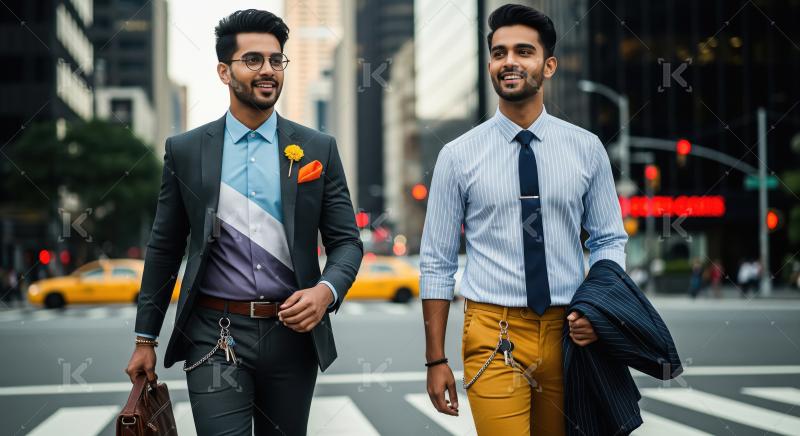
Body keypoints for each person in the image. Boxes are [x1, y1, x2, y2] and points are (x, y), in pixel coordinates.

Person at [124, 9, 363, 435]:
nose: (268, 70)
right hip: (214, 335)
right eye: (253, 60)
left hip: (293, 336)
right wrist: (146, 339)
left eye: (276, 60)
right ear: (223, 71)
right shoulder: (186, 150)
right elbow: (164, 246)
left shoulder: (317, 149)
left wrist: (325, 292)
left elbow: (347, 242)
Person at [419, 4, 628, 435]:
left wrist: (599, 311)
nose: (509, 61)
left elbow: (608, 239)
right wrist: (436, 359)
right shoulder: (457, 156)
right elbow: (436, 262)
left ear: (548, 65)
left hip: (569, 331)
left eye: (523, 51)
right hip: (493, 333)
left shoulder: (587, 149)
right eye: (499, 53)